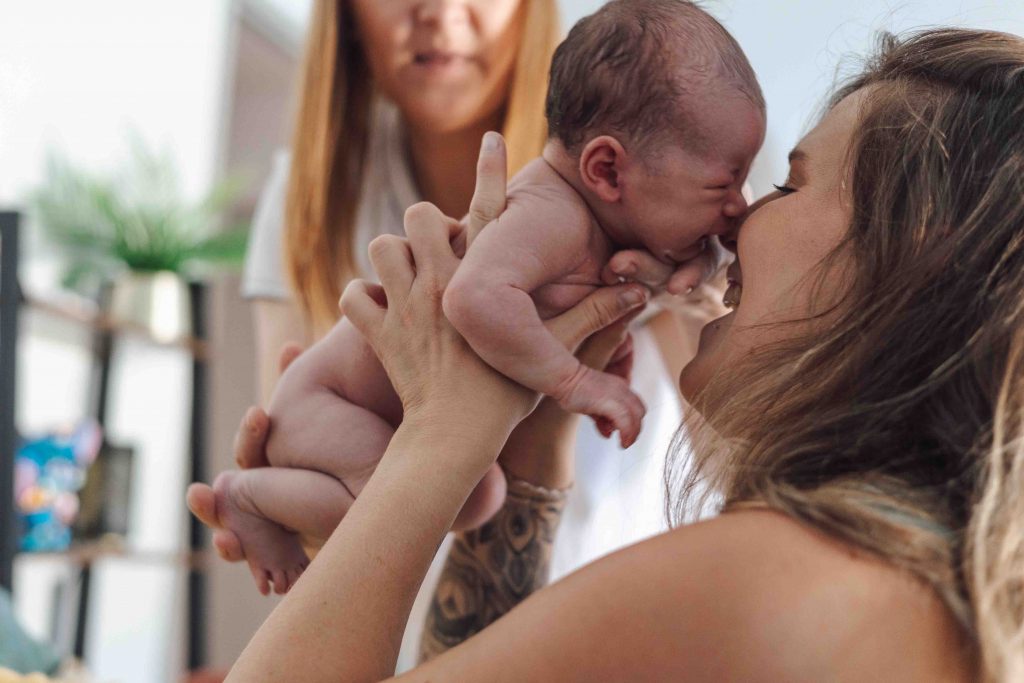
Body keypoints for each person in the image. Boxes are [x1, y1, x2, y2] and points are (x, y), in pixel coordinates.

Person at [220, 27, 1024, 681]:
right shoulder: (939, 582)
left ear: (910, 257)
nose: (738, 220)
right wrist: (541, 424)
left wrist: (441, 430)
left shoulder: (762, 579)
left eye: (789, 184)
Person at [194, 0, 763, 598]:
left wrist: (704, 294)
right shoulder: (560, 210)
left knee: (472, 496)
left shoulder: (672, 157)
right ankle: (247, 497)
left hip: (561, 608)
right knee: (386, 503)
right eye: (722, 190)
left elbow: (751, 478)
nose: (440, 13)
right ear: (606, 170)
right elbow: (472, 301)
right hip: (337, 418)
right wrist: (574, 381)